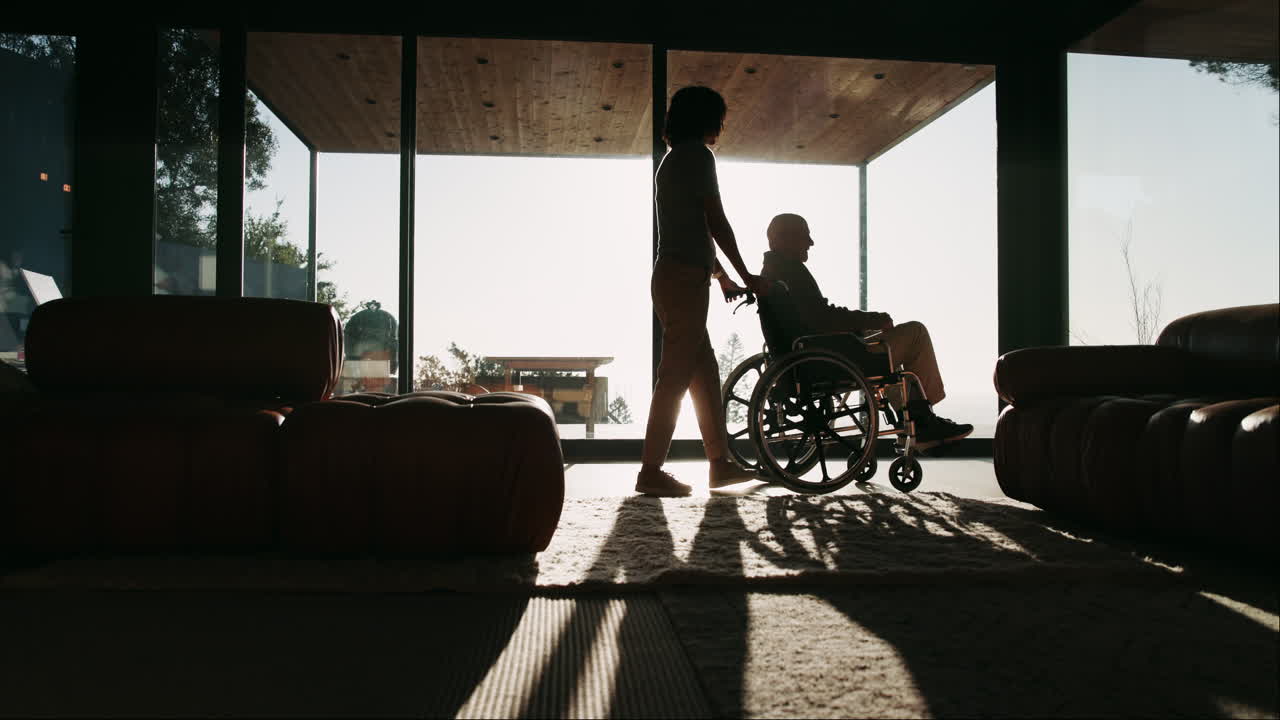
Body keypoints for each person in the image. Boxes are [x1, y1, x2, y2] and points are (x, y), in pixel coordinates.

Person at [637, 86, 770, 498]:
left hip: (679, 276)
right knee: (675, 376)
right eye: (719, 116)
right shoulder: (697, 156)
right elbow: (715, 220)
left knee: (703, 373)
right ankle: (650, 471)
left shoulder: (676, 160)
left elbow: (689, 228)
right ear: (705, 118)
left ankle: (719, 464)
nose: (723, 125)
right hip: (683, 279)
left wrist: (722, 276)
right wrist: (747, 273)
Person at [760, 213, 973, 449]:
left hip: (808, 356)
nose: (811, 243)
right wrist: (871, 318)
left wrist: (864, 324)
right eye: (804, 236)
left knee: (886, 355)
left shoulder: (772, 272)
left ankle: (915, 417)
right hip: (830, 358)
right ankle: (923, 419)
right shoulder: (791, 272)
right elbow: (822, 319)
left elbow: (816, 317)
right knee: (916, 334)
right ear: (783, 239)